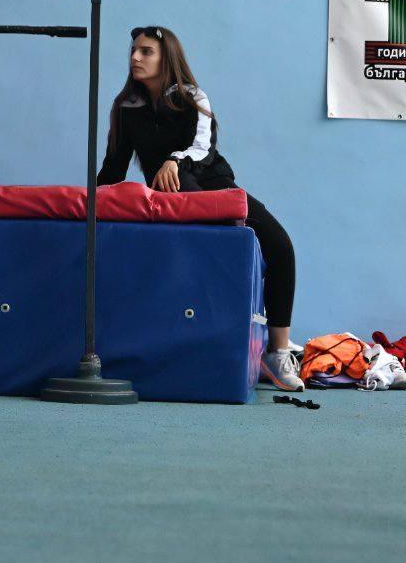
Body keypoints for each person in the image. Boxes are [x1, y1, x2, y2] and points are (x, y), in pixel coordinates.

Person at [96, 25, 303, 391]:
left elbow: (201, 148)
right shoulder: (127, 108)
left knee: (281, 246)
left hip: (215, 186)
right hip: (171, 195)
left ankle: (277, 350)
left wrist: (173, 159)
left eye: (146, 52)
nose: (135, 58)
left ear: (167, 58)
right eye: (133, 51)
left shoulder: (192, 97)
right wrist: (90, 204)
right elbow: (113, 168)